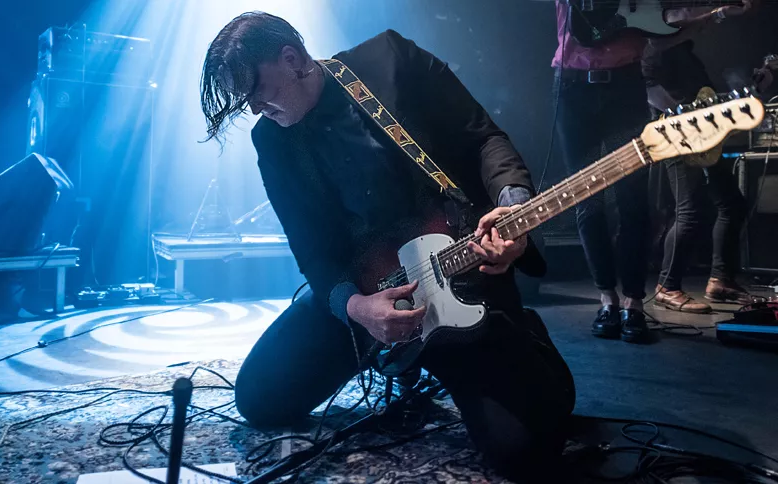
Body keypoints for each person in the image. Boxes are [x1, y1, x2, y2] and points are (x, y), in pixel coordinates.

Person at [200, 12, 575, 481]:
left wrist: (513, 205)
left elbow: (483, 138)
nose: (256, 109)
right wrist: (357, 308)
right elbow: (312, 251)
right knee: (259, 400)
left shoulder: (389, 60)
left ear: (291, 59)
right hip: (366, 292)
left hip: (455, 277)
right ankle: (395, 357)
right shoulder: (272, 140)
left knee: (525, 455)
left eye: (256, 91)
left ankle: (520, 336)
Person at [643, 2, 762, 313]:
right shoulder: (653, 46)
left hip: (704, 134)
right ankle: (667, 287)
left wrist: (749, 90)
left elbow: (706, 99)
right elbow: (650, 89)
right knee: (689, 210)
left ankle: (721, 280)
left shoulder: (685, 51)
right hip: (676, 137)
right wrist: (683, 121)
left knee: (732, 203)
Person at [549, 0, 653, 343]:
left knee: (633, 197)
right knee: (587, 198)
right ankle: (607, 298)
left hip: (625, 85)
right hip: (573, 86)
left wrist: (717, 13)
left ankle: (634, 302)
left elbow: (664, 20)